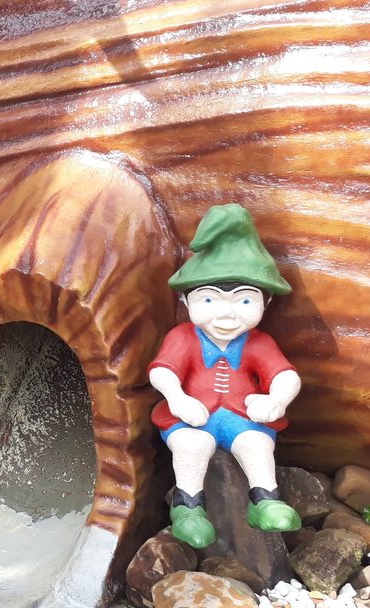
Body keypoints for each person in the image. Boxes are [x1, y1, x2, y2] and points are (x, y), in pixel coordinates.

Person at [150, 203, 302, 549]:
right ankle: (188, 509)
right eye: (209, 299)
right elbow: (162, 372)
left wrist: (276, 400)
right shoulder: (183, 337)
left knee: (257, 443)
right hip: (190, 416)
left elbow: (286, 376)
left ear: (265, 302)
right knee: (193, 445)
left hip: (240, 417)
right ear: (187, 302)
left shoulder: (258, 343)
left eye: (245, 301)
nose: (226, 314)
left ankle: (264, 499)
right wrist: (178, 398)